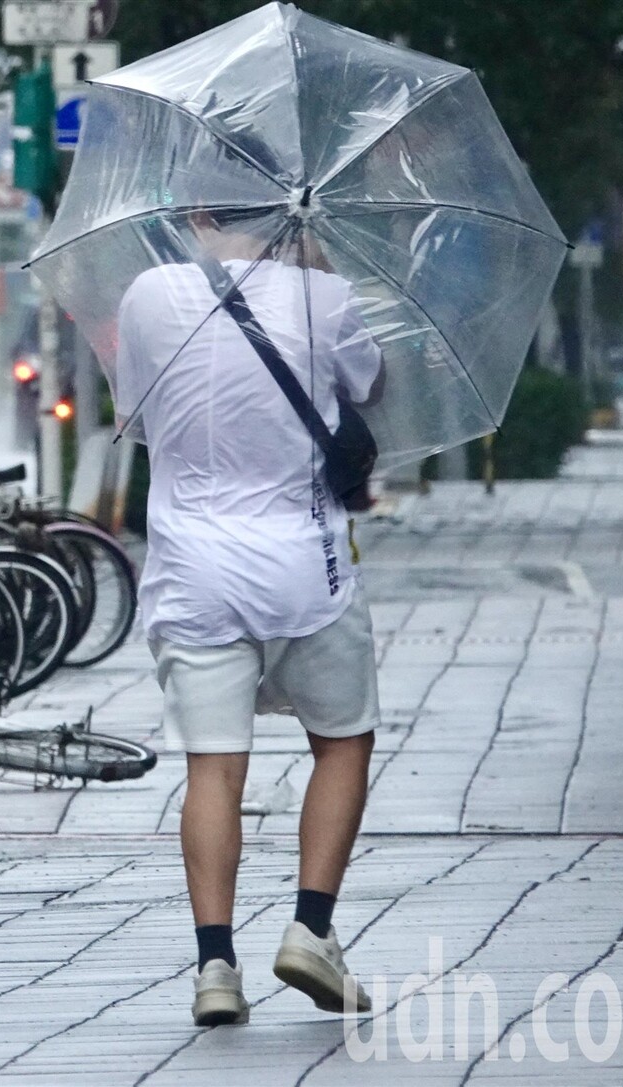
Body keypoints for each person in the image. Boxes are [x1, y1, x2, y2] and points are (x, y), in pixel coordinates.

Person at [115, 214, 383, 1027]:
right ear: (286, 211)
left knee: (213, 768)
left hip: (194, 572)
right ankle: (311, 925)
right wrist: (319, 264)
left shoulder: (148, 296)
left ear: (198, 216)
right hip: (308, 569)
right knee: (342, 739)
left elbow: (134, 408)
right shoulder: (325, 298)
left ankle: (215, 966)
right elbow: (368, 386)